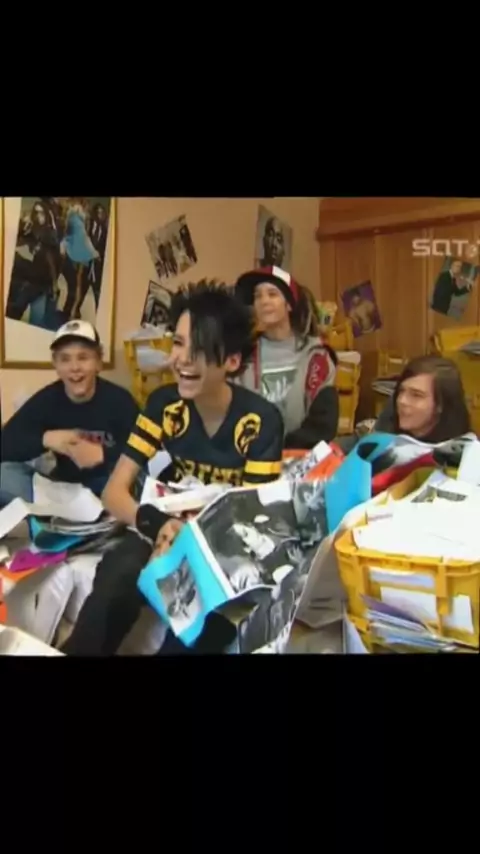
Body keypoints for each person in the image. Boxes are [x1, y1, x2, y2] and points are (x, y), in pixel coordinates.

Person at [61, 280, 285, 656]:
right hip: (163, 527)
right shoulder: (164, 405)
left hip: (224, 547)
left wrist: (187, 543)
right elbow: (114, 492)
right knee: (117, 575)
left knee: (204, 620)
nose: (181, 359)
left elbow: (252, 523)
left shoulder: (260, 421)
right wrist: (158, 526)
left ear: (231, 361)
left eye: (199, 348)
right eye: (178, 343)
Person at [0, 320, 139, 506]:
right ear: (56, 364)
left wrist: (103, 454)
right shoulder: (47, 399)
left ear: (98, 362)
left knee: (141, 481)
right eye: (65, 359)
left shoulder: (121, 400)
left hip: (110, 487)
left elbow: (148, 454)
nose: (74, 367)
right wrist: (45, 439)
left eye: (83, 357)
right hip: (63, 489)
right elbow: (6, 443)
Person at [235, 265, 339, 449]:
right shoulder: (243, 356)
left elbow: (323, 424)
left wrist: (284, 450)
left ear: (289, 305)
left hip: (300, 456)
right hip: (251, 456)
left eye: (272, 294)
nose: (264, 301)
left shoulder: (317, 356)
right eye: (258, 296)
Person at [373, 354, 471, 443]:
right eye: (401, 391)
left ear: (440, 405)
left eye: (416, 395)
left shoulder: (463, 453)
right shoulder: (385, 438)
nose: (402, 401)